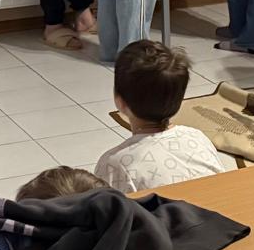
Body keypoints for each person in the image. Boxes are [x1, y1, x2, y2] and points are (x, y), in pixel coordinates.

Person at [94, 40, 236, 192]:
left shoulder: (114, 164)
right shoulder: (197, 137)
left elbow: (101, 204)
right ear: (180, 101)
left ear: (120, 102)